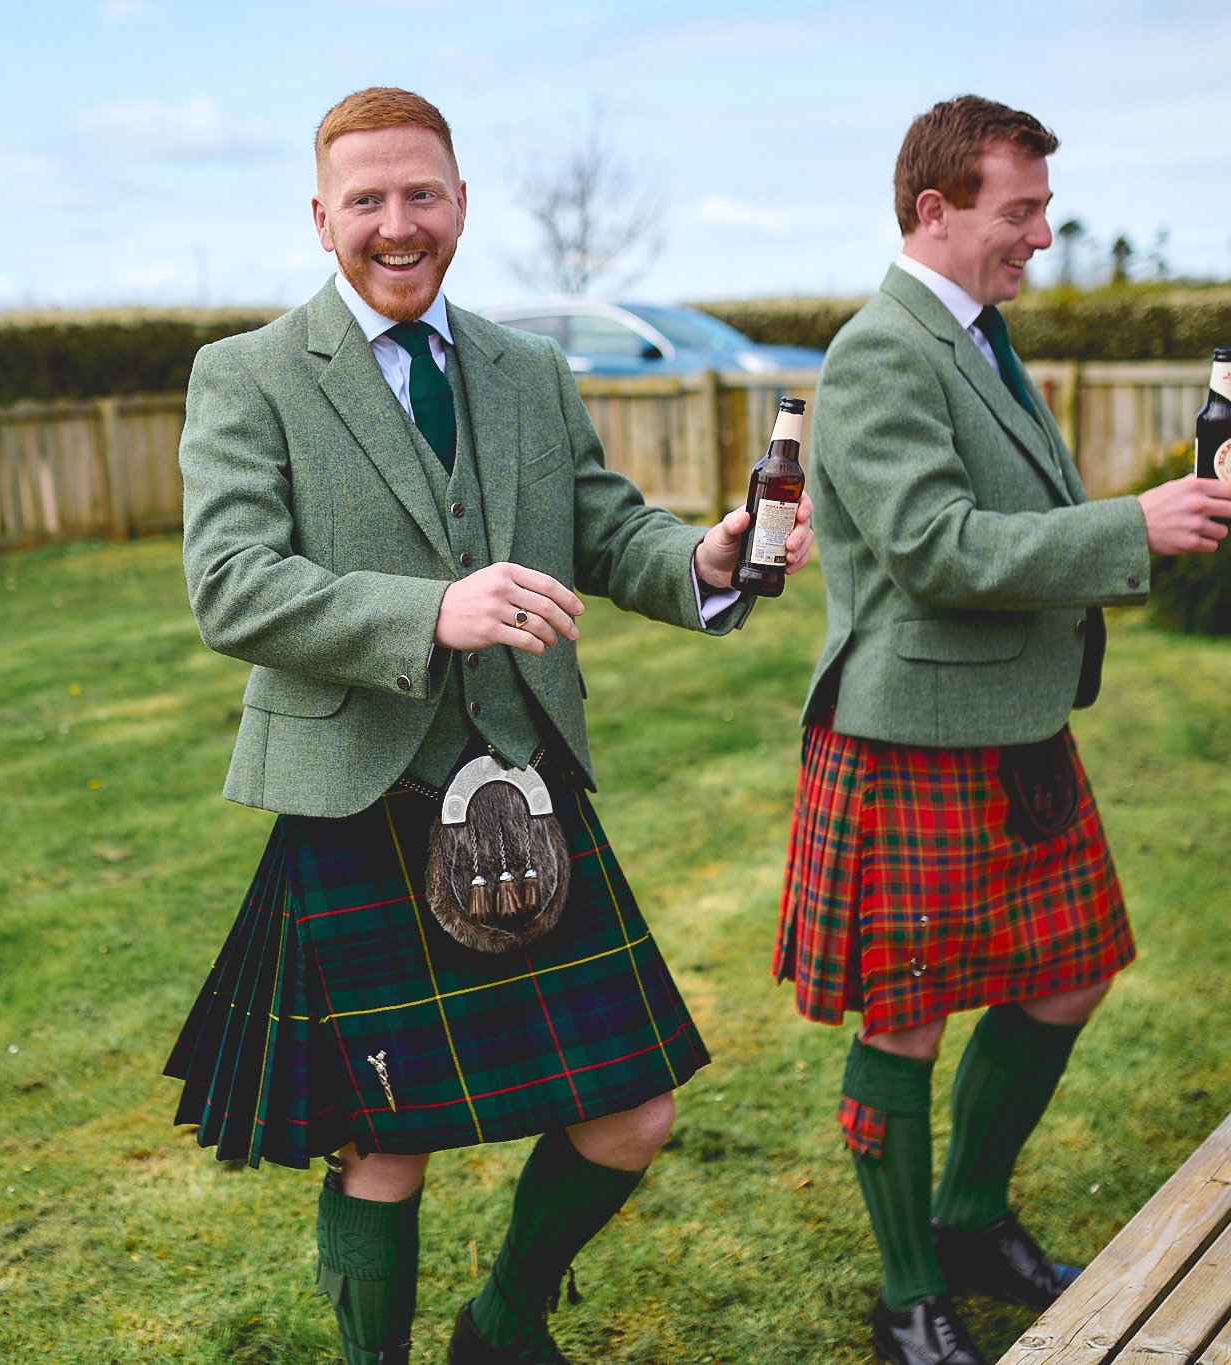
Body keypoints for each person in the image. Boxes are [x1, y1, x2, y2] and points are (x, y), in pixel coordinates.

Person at [162, 86, 812, 1365]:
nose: (395, 226)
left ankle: (505, 1324)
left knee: (631, 1116)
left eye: (420, 196)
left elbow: (602, 524)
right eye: (366, 201)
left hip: (526, 786)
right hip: (361, 793)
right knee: (382, 1143)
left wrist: (706, 557)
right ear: (319, 216)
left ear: (459, 204)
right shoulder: (246, 378)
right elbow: (229, 583)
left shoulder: (522, 368)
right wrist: (429, 613)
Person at [777, 95, 1231, 1365]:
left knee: (1068, 973)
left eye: (1042, 208)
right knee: (907, 1017)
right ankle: (906, 1290)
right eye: (1018, 209)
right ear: (933, 211)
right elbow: (933, 549)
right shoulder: (881, 351)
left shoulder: (976, 339)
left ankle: (973, 1217)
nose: (1041, 235)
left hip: (1016, 724)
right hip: (912, 732)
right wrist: (1126, 527)